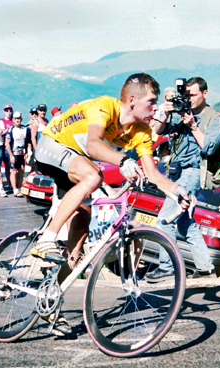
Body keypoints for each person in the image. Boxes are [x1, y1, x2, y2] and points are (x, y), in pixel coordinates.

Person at [32, 73, 190, 335]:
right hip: (53, 145)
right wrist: (123, 161)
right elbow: (94, 144)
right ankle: (45, 239)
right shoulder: (105, 106)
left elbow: (153, 174)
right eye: (151, 101)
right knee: (94, 176)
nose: (156, 107)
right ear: (131, 100)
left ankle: (50, 297)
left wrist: (178, 191)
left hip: (76, 159)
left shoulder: (141, 132)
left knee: (81, 232)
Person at [148, 77, 220, 281]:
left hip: (193, 172)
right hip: (176, 171)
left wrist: (192, 125)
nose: (188, 99)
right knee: (185, 224)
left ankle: (167, 266)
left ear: (205, 94)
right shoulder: (180, 111)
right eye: (186, 95)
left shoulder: (213, 118)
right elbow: (155, 132)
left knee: (164, 220)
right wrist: (166, 111)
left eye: (192, 95)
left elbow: (209, 147)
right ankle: (206, 268)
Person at [4, 111, 27, 197]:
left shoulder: (24, 128)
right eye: (16, 118)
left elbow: (26, 141)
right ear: (13, 119)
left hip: (21, 153)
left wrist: (26, 152)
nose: (18, 120)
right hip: (13, 153)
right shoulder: (11, 130)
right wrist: (11, 155)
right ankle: (14, 189)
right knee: (13, 170)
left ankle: (19, 187)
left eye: (19, 118)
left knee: (21, 170)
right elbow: (7, 143)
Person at [0, 105, 14, 186]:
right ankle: (9, 183)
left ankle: (14, 182)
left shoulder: (13, 121)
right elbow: (1, 132)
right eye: (6, 111)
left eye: (10, 111)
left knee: (13, 166)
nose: (8, 113)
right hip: (4, 146)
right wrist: (8, 129)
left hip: (12, 146)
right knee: (6, 165)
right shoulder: (1, 121)